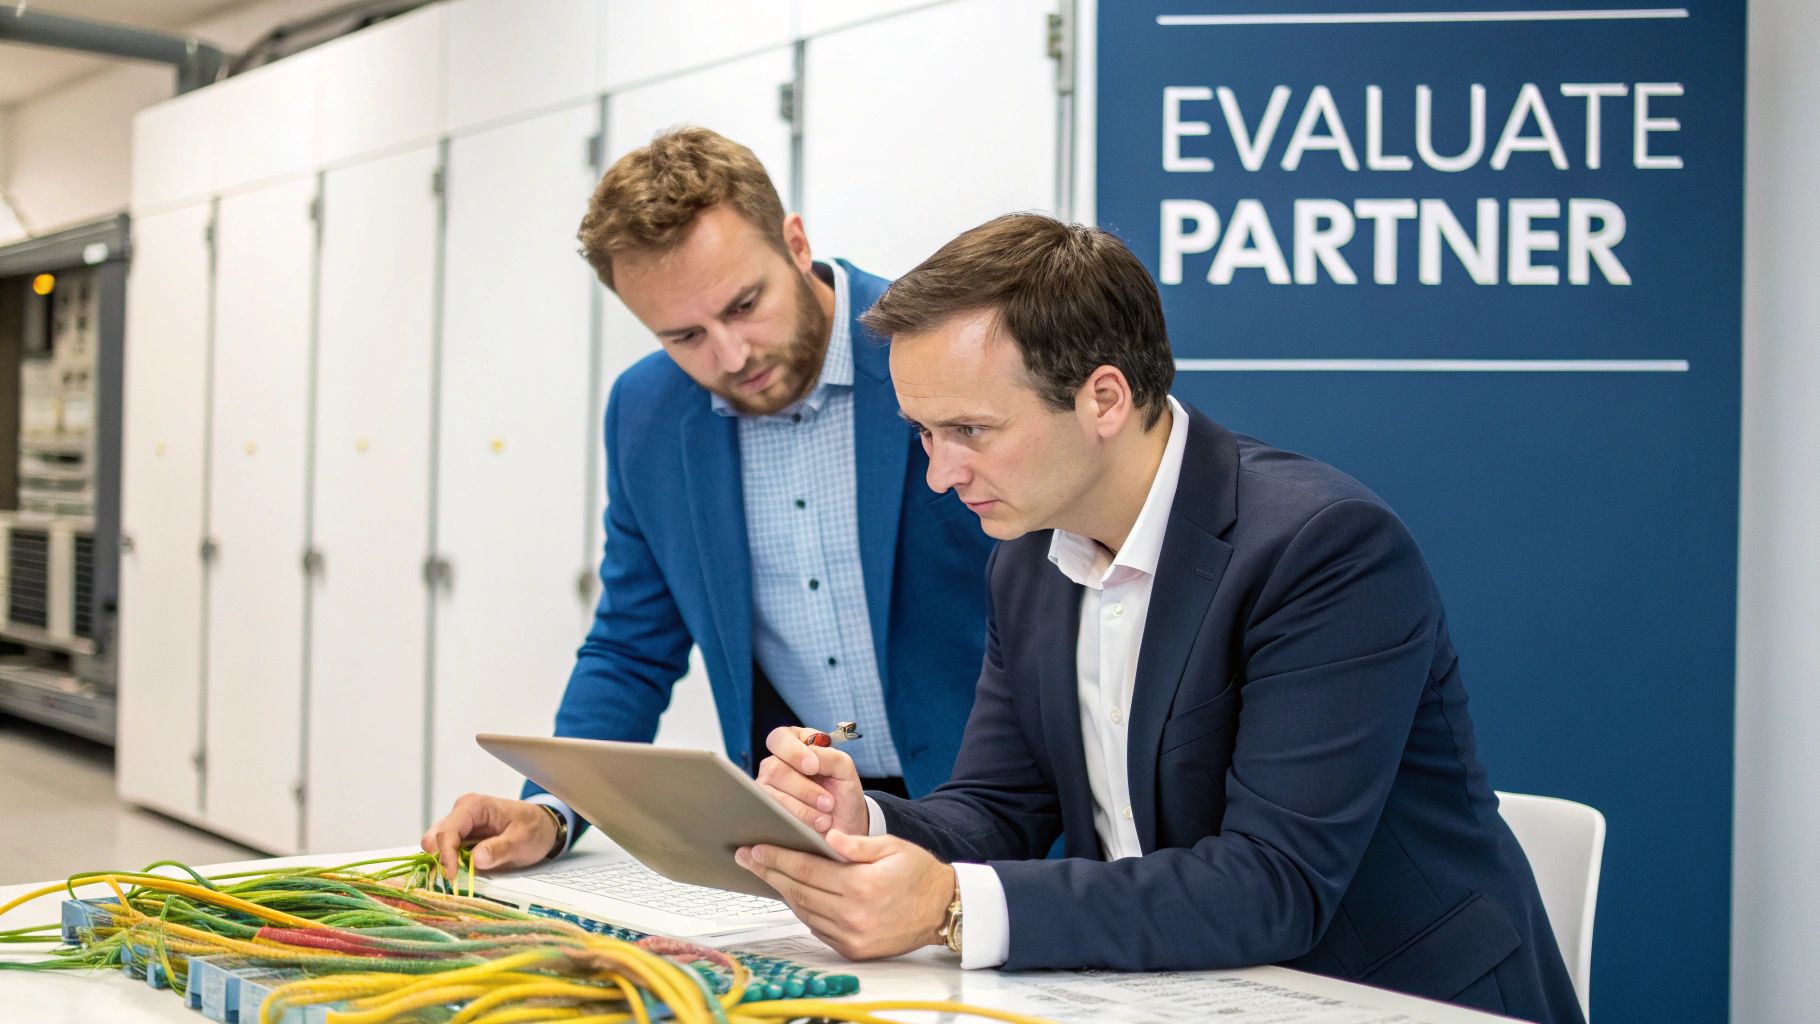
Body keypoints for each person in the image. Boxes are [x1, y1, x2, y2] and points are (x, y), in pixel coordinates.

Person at [736, 213, 1585, 1024]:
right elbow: (999, 807)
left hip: (1398, 1000)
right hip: (1186, 993)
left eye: (970, 429)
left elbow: (1273, 886)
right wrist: (863, 822)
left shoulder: (1325, 549)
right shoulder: (1028, 559)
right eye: (924, 432)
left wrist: (949, 905)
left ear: (1105, 398)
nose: (939, 474)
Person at [421, 128, 995, 878]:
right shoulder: (648, 414)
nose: (731, 355)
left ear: (796, 245)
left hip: (994, 819)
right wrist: (554, 808)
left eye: (745, 304)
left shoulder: (938, 352)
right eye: (685, 335)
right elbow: (631, 646)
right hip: (803, 832)